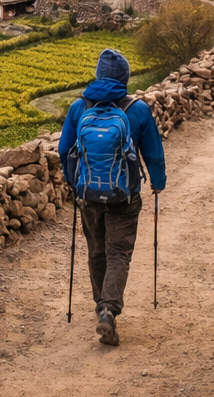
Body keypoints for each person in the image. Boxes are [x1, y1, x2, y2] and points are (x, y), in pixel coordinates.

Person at [59, 47, 166, 347]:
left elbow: (64, 150)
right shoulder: (137, 109)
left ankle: (100, 306)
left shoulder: (79, 108)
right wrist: (158, 183)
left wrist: (73, 182)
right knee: (118, 253)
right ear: (125, 78)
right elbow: (153, 154)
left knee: (96, 250)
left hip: (88, 194)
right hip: (125, 197)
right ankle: (109, 308)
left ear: (97, 75)